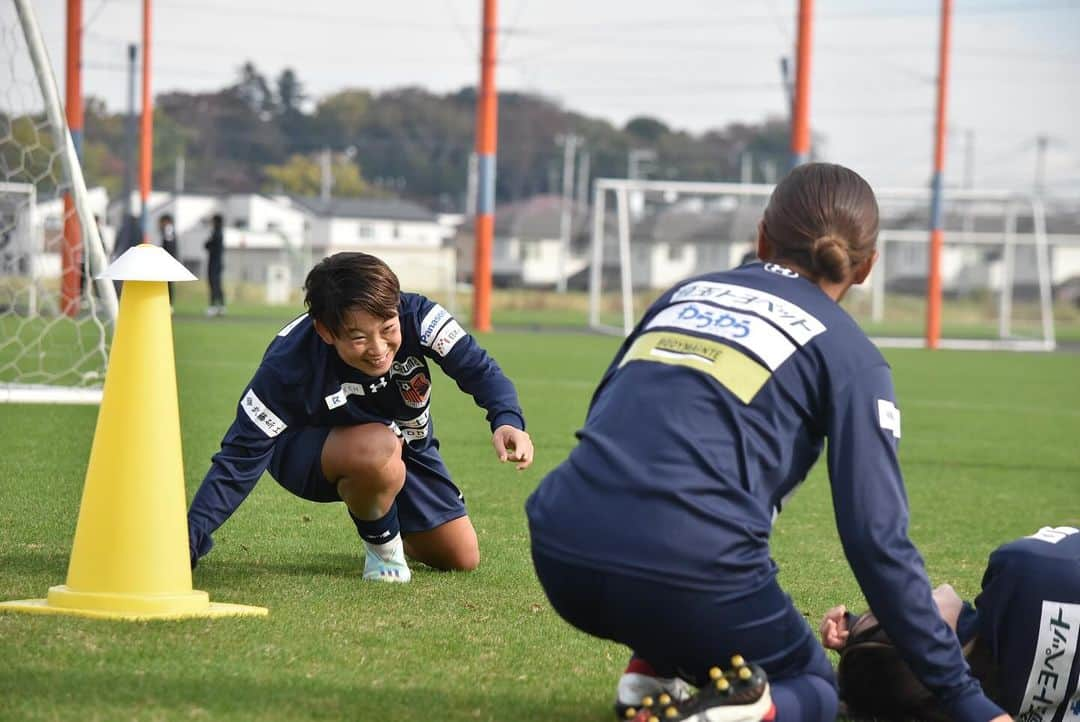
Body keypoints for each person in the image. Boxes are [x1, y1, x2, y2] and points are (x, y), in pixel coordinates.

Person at [525, 163, 1010, 722]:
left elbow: (606, 422)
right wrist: (968, 700)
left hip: (561, 549)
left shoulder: (685, 293)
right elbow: (876, 538)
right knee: (813, 688)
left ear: (760, 238)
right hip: (685, 572)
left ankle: (649, 677)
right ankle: (741, 712)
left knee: (674, 532)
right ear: (868, 266)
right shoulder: (852, 356)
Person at [187, 251, 534, 583]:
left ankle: (392, 522)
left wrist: (506, 419)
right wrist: (188, 541)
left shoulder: (420, 316)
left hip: (405, 443)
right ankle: (383, 551)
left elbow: (479, 369)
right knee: (375, 448)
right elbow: (237, 460)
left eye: (387, 329)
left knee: (461, 557)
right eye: (358, 337)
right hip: (304, 453)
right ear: (325, 331)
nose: (378, 348)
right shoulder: (287, 364)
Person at [824, 524, 1080, 721]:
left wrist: (860, 643)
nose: (918, 590)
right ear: (930, 633)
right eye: (907, 606)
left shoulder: (1001, 699)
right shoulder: (1024, 569)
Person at [204, 213, 225, 316]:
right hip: (217, 263)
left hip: (214, 263)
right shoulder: (219, 232)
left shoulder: (216, 233)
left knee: (214, 284)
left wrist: (208, 244)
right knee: (217, 285)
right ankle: (220, 306)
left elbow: (208, 245)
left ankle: (214, 306)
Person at [159, 213, 179, 306]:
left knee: (168, 284)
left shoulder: (168, 230)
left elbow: (169, 247)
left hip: (168, 262)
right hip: (169, 261)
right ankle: (168, 303)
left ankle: (169, 304)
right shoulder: (169, 230)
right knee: (167, 284)